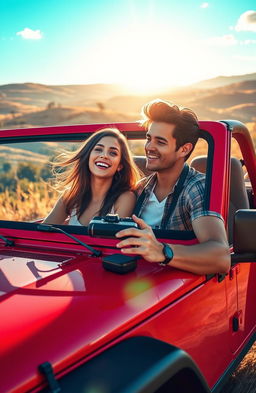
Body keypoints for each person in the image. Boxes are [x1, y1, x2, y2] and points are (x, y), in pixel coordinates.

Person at [116, 99, 231, 275]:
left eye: (160, 142)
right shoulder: (140, 189)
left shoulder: (196, 188)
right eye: (149, 138)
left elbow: (220, 258)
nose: (149, 147)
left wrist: (163, 251)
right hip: (136, 281)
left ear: (184, 149)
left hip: (181, 289)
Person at [43, 128, 140, 225]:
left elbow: (112, 239)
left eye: (113, 153)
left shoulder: (125, 198)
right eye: (98, 149)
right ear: (88, 156)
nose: (104, 155)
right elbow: (42, 232)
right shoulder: (71, 195)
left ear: (120, 165)